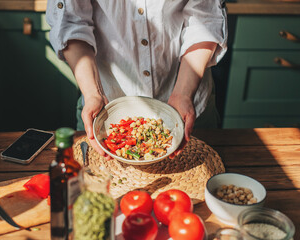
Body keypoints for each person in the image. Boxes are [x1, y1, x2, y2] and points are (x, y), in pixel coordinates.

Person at [46, 0, 227, 159]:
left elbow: (205, 20)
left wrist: (183, 93)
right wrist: (94, 93)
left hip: (188, 98)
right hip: (105, 105)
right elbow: (70, 22)